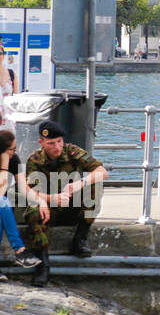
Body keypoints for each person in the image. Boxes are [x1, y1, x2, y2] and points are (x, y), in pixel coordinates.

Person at [22, 120, 107, 287]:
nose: (57, 147)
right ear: (42, 143)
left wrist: (79, 184)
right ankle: (42, 265)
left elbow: (102, 172)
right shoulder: (35, 160)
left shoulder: (72, 151)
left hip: (71, 206)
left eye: (59, 141)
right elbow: (30, 191)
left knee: (94, 186)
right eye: (51, 143)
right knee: (32, 211)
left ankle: (80, 239)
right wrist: (47, 199)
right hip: (50, 209)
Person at [0, 131, 42, 279]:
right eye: (12, 149)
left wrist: (41, 201)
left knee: (2, 207)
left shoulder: (14, 159)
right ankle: (19, 250)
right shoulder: (6, 160)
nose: (15, 152)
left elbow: (24, 188)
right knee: (2, 201)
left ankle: (19, 251)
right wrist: (4, 164)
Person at [0, 42, 17, 130]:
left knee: (8, 141)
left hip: (9, 119)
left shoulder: (11, 73)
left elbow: (16, 97)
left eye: (0, 53)